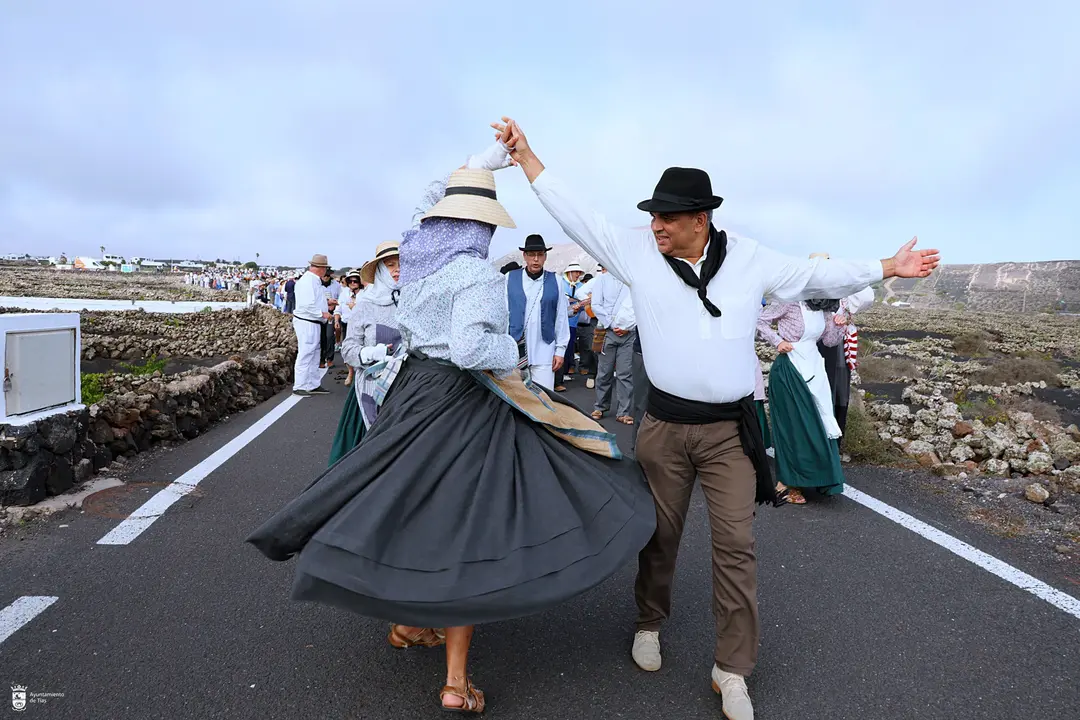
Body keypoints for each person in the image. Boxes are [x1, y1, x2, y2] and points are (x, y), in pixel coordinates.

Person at [494, 116, 939, 720]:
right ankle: (649, 621)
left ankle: (732, 669)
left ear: (700, 219)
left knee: (736, 546)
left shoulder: (750, 259)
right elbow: (581, 217)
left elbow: (813, 276)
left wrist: (886, 266)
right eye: (653, 217)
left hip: (729, 433)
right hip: (664, 429)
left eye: (667, 218)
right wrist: (528, 160)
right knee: (660, 534)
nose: (655, 227)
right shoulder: (635, 252)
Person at [246, 143, 655, 715]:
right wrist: (507, 349)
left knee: (408, 501)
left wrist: (484, 160)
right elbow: (469, 349)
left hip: (410, 391)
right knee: (470, 522)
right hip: (460, 400)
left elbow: (425, 202)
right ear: (483, 226)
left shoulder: (418, 259)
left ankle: (407, 623)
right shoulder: (475, 273)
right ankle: (456, 683)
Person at [757, 296, 849, 503]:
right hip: (790, 368)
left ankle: (817, 477)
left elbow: (829, 341)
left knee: (819, 423)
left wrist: (840, 323)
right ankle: (786, 483)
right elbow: (759, 320)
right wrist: (777, 341)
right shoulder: (788, 302)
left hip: (814, 366)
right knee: (794, 427)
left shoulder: (822, 307)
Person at [329, 243, 401, 467]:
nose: (397, 270)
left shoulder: (416, 302)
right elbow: (349, 348)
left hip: (406, 391)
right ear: (379, 270)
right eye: (390, 265)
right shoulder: (365, 304)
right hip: (370, 391)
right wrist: (370, 353)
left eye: (402, 264)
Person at [505, 234, 570, 391]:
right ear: (525, 256)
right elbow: (503, 315)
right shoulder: (509, 278)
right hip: (515, 350)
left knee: (544, 399)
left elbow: (561, 317)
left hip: (544, 350)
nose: (536, 259)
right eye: (532, 255)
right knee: (517, 400)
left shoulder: (557, 281)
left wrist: (560, 350)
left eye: (540, 255)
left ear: (545, 257)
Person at [588, 266, 636, 424]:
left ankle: (624, 411)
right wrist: (612, 323)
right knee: (604, 372)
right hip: (607, 331)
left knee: (625, 374)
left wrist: (627, 326)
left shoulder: (632, 279)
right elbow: (596, 305)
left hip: (628, 333)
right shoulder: (601, 280)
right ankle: (600, 406)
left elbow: (640, 305)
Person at [291, 255, 332, 396]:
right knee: (307, 352)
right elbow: (307, 305)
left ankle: (313, 383)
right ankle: (300, 385)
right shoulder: (308, 281)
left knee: (314, 353)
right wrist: (323, 313)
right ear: (320, 268)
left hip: (312, 321)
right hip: (307, 321)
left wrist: (326, 306)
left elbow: (312, 301)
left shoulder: (312, 280)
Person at [555, 262, 588, 391]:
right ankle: (559, 376)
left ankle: (566, 371)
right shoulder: (560, 284)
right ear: (569, 272)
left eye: (579, 272)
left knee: (570, 347)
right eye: (575, 272)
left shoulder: (581, 287)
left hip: (573, 321)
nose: (577, 275)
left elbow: (585, 304)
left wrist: (579, 307)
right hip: (560, 322)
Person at [335, 270, 365, 387]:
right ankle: (350, 372)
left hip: (360, 325)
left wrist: (355, 307)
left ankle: (359, 372)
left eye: (355, 281)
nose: (353, 283)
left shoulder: (364, 294)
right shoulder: (344, 294)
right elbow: (338, 308)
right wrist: (336, 320)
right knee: (346, 349)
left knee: (359, 349)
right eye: (350, 281)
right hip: (346, 324)